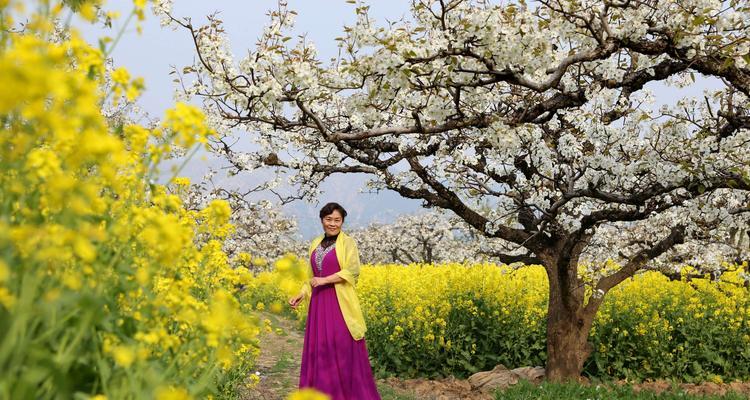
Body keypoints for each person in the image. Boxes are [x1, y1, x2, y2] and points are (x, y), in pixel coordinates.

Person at [288, 202, 381, 400]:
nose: (332, 224)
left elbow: (352, 271)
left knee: (342, 347)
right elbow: (310, 276)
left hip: (340, 304)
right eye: (328, 219)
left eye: (337, 220)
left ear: (342, 221)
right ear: (322, 220)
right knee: (320, 349)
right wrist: (301, 293)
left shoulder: (348, 243)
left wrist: (325, 280)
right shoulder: (315, 243)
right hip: (318, 304)